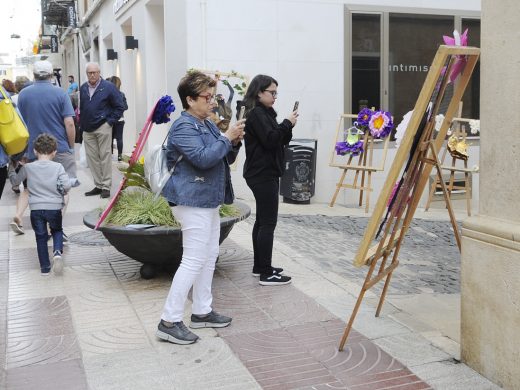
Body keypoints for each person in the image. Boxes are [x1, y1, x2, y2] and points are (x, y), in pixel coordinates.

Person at [157, 71, 245, 345]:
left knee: (209, 255)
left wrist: (234, 140)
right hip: (190, 200)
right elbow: (204, 159)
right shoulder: (183, 126)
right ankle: (169, 320)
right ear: (190, 99)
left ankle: (202, 311)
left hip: (206, 199)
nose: (212, 103)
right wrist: (225, 137)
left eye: (213, 97)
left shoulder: (205, 123)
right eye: (207, 98)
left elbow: (223, 157)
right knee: (194, 259)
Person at [242, 74, 298, 286]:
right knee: (268, 222)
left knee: (262, 221)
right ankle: (266, 273)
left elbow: (279, 139)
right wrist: (286, 123)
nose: (275, 96)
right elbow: (271, 139)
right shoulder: (257, 113)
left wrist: (287, 126)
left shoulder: (264, 112)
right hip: (262, 173)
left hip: (264, 172)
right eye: (271, 92)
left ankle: (260, 266)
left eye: (276, 93)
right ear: (259, 92)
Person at [10, 60, 77, 235]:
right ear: (50, 75)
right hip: (59, 147)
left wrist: (23, 151)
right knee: (64, 186)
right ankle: (54, 225)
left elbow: (20, 123)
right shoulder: (61, 94)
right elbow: (69, 123)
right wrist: (71, 146)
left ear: (34, 75)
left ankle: (18, 215)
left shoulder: (23, 95)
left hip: (33, 148)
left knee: (30, 187)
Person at [14, 134, 70, 275]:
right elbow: (66, 186)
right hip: (54, 208)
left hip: (36, 209)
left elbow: (16, 181)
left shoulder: (28, 167)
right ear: (54, 152)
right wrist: (60, 190)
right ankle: (57, 252)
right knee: (57, 230)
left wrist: (11, 169)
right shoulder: (58, 167)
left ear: (34, 151)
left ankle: (45, 268)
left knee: (40, 237)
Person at [79, 63, 125, 198]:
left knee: (104, 156)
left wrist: (109, 122)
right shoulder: (83, 88)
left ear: (99, 72)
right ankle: (98, 185)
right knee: (92, 158)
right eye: (89, 73)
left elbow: (119, 106)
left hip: (103, 126)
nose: (92, 75)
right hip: (87, 128)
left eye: (94, 72)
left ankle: (106, 186)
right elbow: (82, 107)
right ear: (86, 74)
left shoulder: (108, 87)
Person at [106, 76, 128, 161]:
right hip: (120, 119)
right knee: (119, 138)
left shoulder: (108, 94)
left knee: (110, 137)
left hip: (110, 119)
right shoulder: (121, 94)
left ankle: (110, 155)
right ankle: (119, 156)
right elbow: (126, 107)